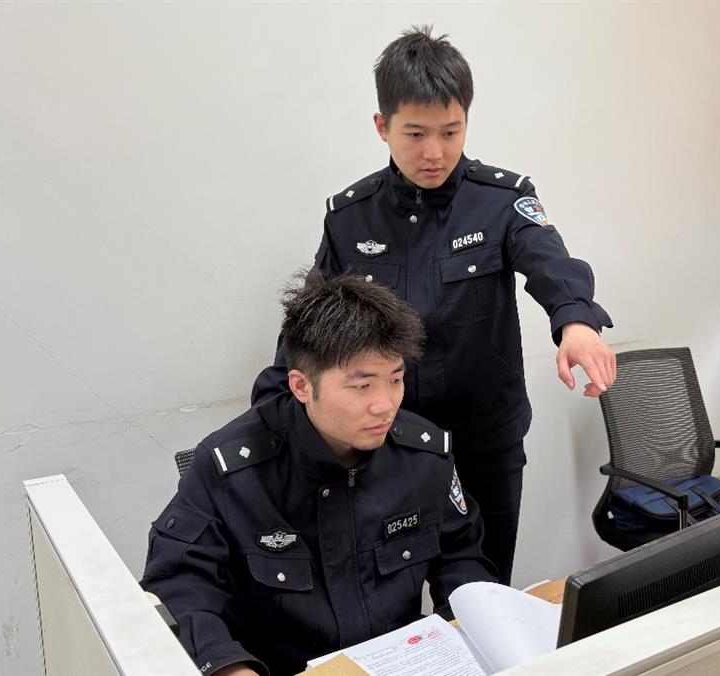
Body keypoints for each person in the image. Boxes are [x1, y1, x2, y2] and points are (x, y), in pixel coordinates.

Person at [252, 26, 616, 586]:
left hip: (483, 441)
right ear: (383, 126)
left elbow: (551, 261)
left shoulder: (501, 199)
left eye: (451, 132)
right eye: (415, 133)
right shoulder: (350, 217)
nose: (434, 152)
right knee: (385, 592)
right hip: (386, 442)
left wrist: (577, 321)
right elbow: (313, 322)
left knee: (483, 588)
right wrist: (278, 402)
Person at [143, 272, 497, 676]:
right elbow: (180, 584)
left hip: (401, 663)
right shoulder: (231, 469)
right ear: (301, 386)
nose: (385, 405)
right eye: (362, 386)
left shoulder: (424, 455)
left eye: (396, 379)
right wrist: (228, 667)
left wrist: (461, 639)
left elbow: (463, 559)